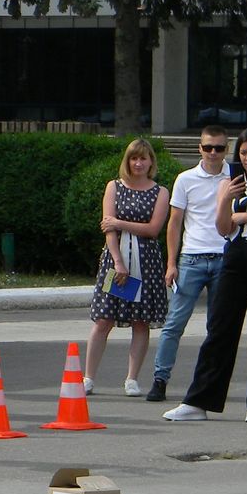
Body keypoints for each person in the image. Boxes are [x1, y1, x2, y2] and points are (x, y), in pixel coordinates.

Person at [163, 128, 247, 423]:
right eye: (244, 153)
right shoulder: (229, 183)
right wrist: (225, 201)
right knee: (221, 328)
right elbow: (223, 228)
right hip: (235, 255)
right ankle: (199, 401)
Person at [146, 126, 229, 403]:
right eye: (208, 147)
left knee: (218, 327)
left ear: (226, 149)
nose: (213, 153)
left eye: (219, 148)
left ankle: (212, 384)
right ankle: (160, 379)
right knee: (174, 323)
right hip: (192, 257)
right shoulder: (186, 179)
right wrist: (171, 263)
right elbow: (175, 223)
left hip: (224, 256)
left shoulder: (234, 177)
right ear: (200, 149)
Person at [85, 138, 168, 397]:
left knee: (140, 321)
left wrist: (120, 222)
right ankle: (88, 377)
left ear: (151, 161)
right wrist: (118, 261)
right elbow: (107, 228)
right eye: (134, 158)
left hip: (147, 262)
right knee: (104, 319)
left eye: (144, 158)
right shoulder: (115, 187)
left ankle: (132, 378)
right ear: (127, 161)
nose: (139, 163)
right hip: (117, 259)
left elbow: (153, 229)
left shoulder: (160, 192)